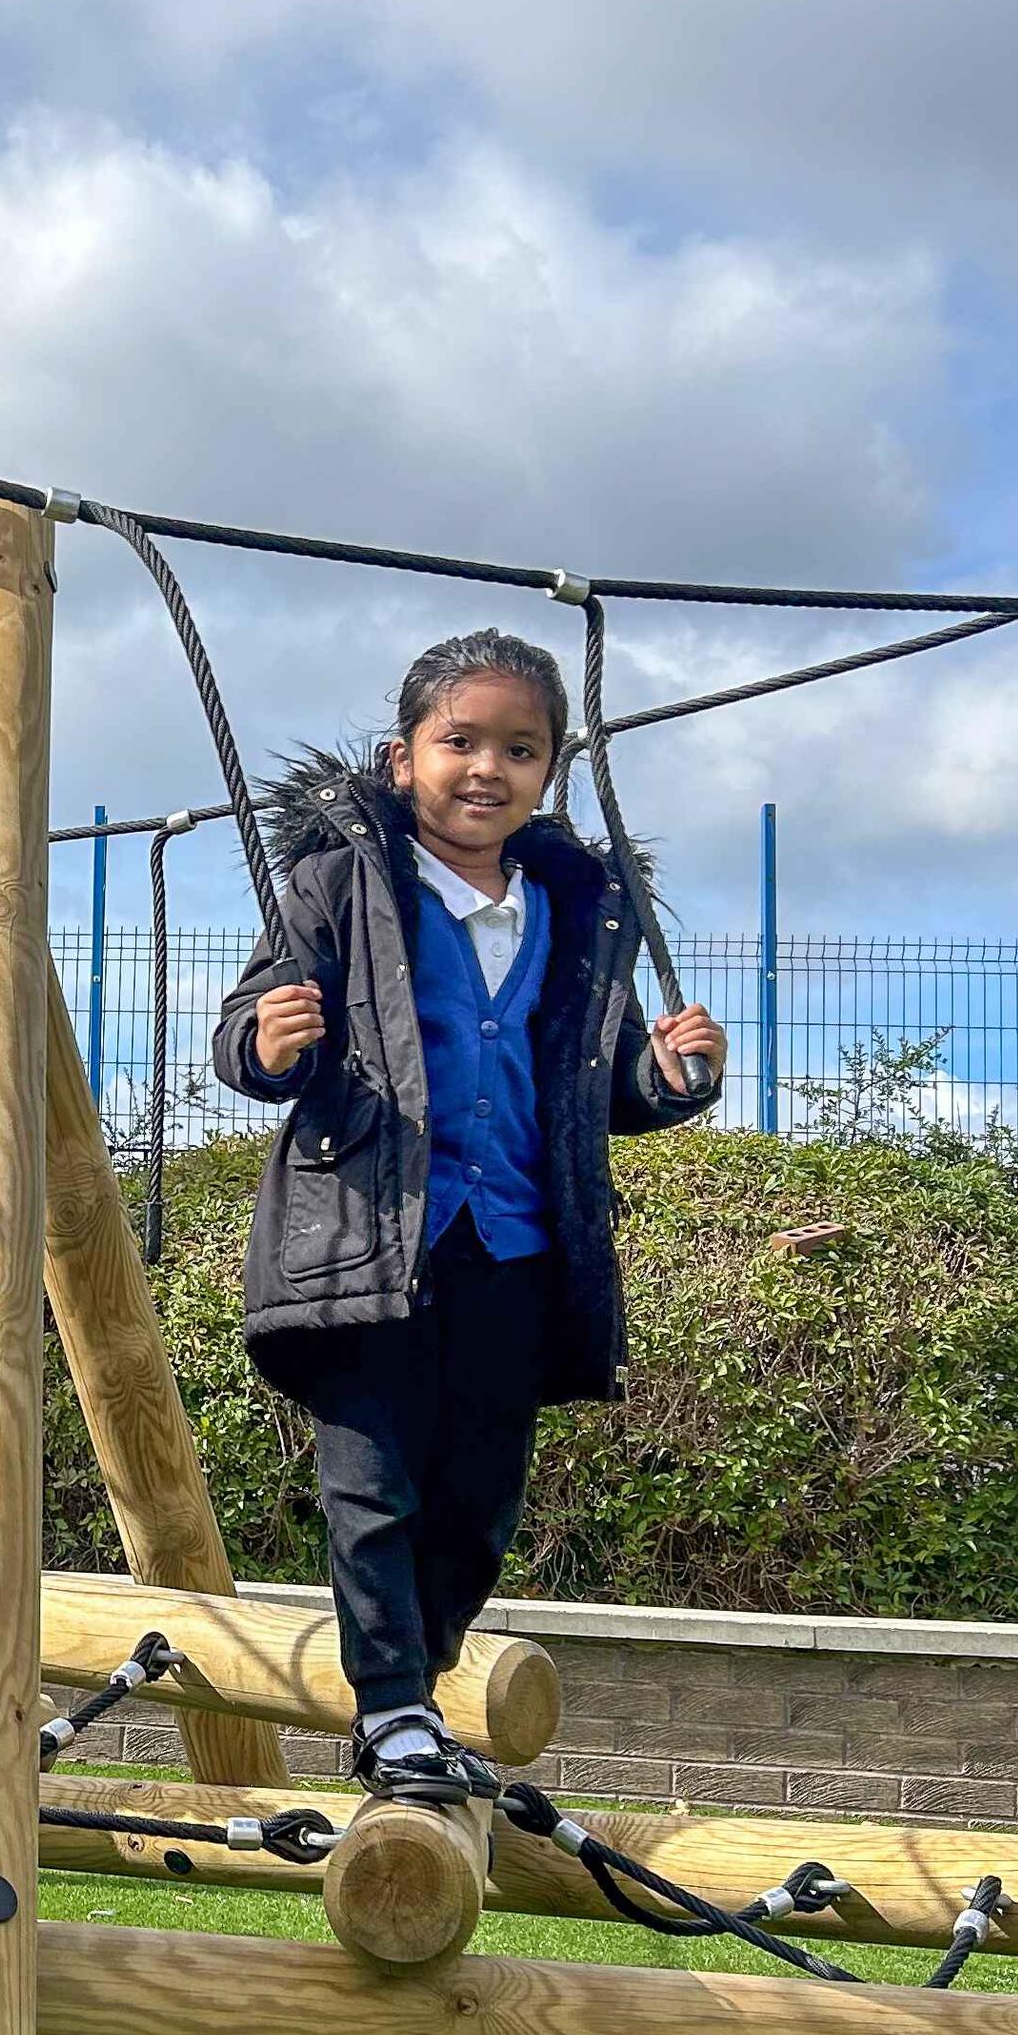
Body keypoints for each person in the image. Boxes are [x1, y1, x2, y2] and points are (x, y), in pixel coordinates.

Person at [213, 629, 725, 1802]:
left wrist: (666, 1079)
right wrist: (269, 1043)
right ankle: (391, 1706)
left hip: (517, 1246)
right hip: (369, 1234)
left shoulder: (575, 910)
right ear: (405, 759)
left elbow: (591, 1094)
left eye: (520, 748)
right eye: (461, 741)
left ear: (548, 774)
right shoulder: (339, 885)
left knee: (481, 1497)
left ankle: (413, 1691)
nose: (487, 767)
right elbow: (247, 1035)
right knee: (375, 1485)